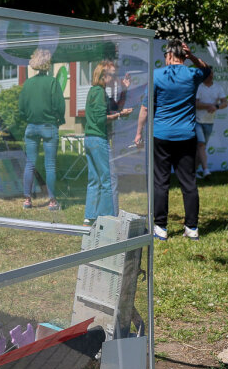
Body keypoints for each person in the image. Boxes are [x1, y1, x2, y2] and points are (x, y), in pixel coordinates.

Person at [134, 40, 211, 240]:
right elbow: (207, 69)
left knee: (161, 182)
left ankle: (160, 227)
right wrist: (192, 56)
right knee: (189, 182)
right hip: (186, 136)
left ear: (169, 56)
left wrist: (139, 132)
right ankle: (192, 228)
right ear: (184, 57)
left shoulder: (157, 75)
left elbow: (145, 108)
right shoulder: (192, 74)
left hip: (162, 136)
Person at [84, 63, 131, 226]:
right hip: (98, 139)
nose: (115, 78)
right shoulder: (99, 92)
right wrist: (119, 115)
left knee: (95, 179)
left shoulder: (95, 91)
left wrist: (124, 91)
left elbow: (114, 108)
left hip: (90, 139)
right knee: (109, 180)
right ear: (103, 76)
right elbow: (101, 119)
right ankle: (109, 218)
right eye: (112, 74)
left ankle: (90, 217)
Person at [19, 48, 65, 210]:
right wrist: (60, 119)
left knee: (30, 164)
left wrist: (28, 119)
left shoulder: (27, 83)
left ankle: (27, 200)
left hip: (31, 126)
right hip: (49, 126)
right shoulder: (52, 82)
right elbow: (59, 105)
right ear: (48, 63)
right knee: (50, 165)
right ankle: (52, 202)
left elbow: (21, 108)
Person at [194, 70, 228, 178]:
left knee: (201, 148)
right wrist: (209, 106)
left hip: (209, 121)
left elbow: (225, 103)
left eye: (212, 74)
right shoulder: (199, 87)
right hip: (197, 120)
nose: (210, 76)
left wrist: (216, 106)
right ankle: (206, 170)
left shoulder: (218, 87)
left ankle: (193, 171)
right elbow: (195, 103)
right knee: (201, 144)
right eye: (208, 74)